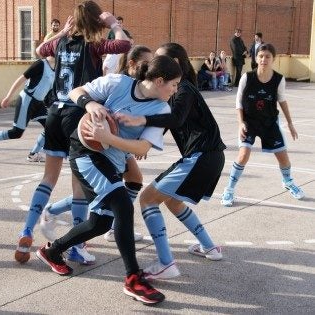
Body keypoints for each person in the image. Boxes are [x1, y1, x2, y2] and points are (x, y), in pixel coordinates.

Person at [36, 55, 181, 305]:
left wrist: (109, 137)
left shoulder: (161, 109)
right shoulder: (118, 83)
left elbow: (142, 145)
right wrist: (90, 105)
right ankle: (133, 279)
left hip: (111, 159)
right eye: (174, 84)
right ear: (159, 80)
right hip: (85, 152)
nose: (175, 90)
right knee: (123, 205)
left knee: (100, 224)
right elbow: (76, 92)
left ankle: (52, 251)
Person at [14, 1, 131, 265]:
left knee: (48, 178)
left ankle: (26, 230)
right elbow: (124, 46)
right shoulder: (94, 45)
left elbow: (39, 49)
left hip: (54, 111)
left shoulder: (60, 43)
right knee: (79, 184)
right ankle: (77, 247)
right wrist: (113, 24)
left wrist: (62, 32)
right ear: (95, 21)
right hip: (77, 114)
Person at [117, 42, 225, 281]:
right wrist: (147, 140)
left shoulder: (183, 88)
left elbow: (173, 119)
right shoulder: (179, 89)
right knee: (174, 202)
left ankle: (166, 263)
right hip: (208, 156)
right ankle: (210, 247)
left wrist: (140, 121)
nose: (155, 64)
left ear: (175, 63)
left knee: (147, 200)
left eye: (160, 59)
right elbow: (171, 121)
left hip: (202, 155)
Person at [39, 45, 153, 243]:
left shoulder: (145, 88)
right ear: (133, 64)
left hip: (119, 144)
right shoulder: (118, 82)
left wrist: (142, 141)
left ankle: (113, 223)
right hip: (98, 144)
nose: (151, 67)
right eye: (147, 63)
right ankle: (51, 212)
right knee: (94, 193)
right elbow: (82, 95)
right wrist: (91, 106)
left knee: (133, 180)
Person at [220, 43, 304, 207]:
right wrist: (240, 123)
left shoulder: (279, 79)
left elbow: (282, 100)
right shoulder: (247, 77)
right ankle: (229, 190)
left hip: (269, 122)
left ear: (273, 59)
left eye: (267, 56)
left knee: (283, 157)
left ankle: (288, 181)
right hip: (249, 122)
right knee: (243, 155)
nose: (264, 59)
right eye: (261, 56)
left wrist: (290, 123)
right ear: (255, 58)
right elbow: (238, 102)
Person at [0, 56, 55, 162]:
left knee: (51, 127)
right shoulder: (41, 64)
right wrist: (8, 97)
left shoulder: (56, 67)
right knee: (16, 132)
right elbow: (21, 79)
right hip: (27, 100)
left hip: (38, 103)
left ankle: (33, 154)